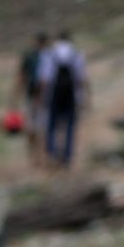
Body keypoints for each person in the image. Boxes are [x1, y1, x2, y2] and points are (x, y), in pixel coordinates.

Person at [37, 31, 91, 170]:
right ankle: (67, 157)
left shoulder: (49, 54)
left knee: (52, 126)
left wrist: (42, 98)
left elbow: (45, 80)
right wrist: (85, 98)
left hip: (54, 95)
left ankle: (53, 153)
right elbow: (81, 79)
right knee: (70, 126)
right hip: (70, 95)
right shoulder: (76, 54)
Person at [14, 31, 50, 164]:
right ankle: (40, 155)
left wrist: (15, 97)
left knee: (33, 128)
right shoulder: (47, 56)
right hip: (44, 99)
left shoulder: (32, 56)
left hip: (34, 97)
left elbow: (21, 77)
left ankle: (35, 156)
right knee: (41, 128)